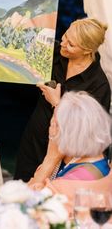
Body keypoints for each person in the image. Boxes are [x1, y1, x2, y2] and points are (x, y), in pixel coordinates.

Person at [14, 18, 111, 182]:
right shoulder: (54, 55)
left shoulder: (98, 85)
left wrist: (57, 103)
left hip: (63, 157)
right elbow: (24, 36)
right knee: (20, 192)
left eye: (71, 44)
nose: (63, 44)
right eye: (65, 36)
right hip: (33, 143)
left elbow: (87, 135)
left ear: (87, 50)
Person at [28, 91, 112, 212]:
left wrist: (50, 159)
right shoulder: (98, 160)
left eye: (53, 123)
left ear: (65, 133)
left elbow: (24, 207)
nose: (50, 128)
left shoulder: (65, 185)